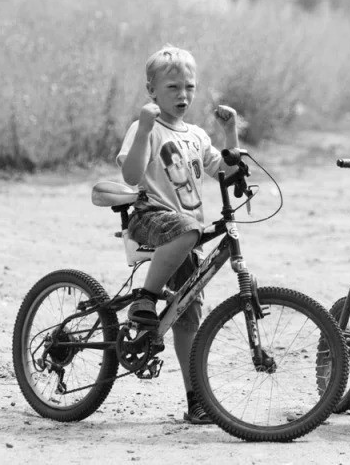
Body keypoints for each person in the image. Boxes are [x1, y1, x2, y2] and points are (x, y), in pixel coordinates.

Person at [117, 44, 240, 423]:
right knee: (188, 230)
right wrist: (144, 130)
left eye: (189, 86)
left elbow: (227, 171)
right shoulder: (145, 128)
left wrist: (230, 132)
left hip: (184, 233)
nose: (183, 95)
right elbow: (132, 176)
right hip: (150, 216)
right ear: (151, 91)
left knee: (189, 316)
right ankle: (145, 299)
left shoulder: (198, 136)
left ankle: (195, 401)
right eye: (172, 88)